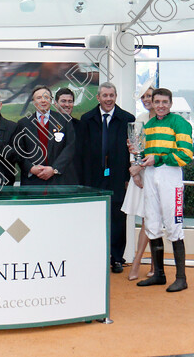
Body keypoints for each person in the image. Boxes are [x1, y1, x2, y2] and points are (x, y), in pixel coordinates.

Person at [135, 88, 193, 292]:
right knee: (152, 222)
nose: (160, 105)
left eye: (164, 102)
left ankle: (181, 278)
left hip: (170, 175)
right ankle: (159, 274)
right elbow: (144, 153)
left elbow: (185, 154)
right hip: (151, 175)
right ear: (151, 102)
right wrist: (136, 151)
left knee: (174, 224)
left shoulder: (180, 123)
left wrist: (158, 158)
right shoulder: (147, 125)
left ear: (170, 103)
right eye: (156, 101)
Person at [78, 82, 134, 273]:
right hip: (93, 179)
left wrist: (128, 177)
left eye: (111, 95)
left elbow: (132, 153)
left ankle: (117, 258)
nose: (108, 99)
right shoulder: (86, 120)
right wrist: (83, 182)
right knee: (94, 218)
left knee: (118, 219)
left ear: (116, 96)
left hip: (118, 178)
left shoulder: (127, 119)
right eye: (105, 96)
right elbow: (81, 154)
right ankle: (96, 256)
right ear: (98, 98)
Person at [124, 82, 156, 281]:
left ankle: (147, 263)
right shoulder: (140, 119)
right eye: (143, 97)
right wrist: (135, 172)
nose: (146, 100)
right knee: (147, 218)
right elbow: (135, 148)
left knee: (155, 219)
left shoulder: (168, 121)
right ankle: (142, 262)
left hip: (161, 173)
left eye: (149, 96)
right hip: (143, 175)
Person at [14, 85, 76, 185]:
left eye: (46, 97)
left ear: (51, 101)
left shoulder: (64, 120)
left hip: (57, 181)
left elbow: (70, 147)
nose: (43, 101)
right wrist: (31, 168)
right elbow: (19, 151)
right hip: (32, 182)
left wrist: (54, 169)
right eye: (39, 98)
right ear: (33, 102)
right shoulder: (23, 123)